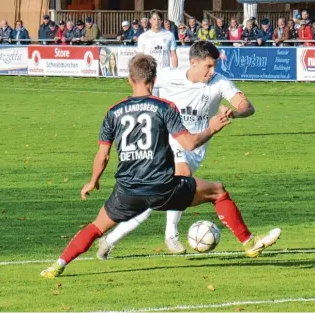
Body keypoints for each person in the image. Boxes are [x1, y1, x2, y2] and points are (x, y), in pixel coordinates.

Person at [40, 53, 238, 278]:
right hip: (162, 187)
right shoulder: (164, 107)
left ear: (129, 79)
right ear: (153, 80)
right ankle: (248, 242)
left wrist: (92, 182)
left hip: (126, 191)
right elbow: (189, 143)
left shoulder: (113, 111)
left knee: (96, 227)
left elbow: (102, 155)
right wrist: (212, 128)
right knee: (217, 191)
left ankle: (58, 264)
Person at [96, 41, 281, 257]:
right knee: (178, 176)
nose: (213, 72)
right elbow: (141, 88)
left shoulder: (220, 84)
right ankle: (171, 234)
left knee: (155, 196)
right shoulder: (167, 76)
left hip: (196, 148)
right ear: (193, 62)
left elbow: (248, 107)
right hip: (167, 143)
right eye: (209, 66)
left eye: (215, 66)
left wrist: (234, 112)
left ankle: (109, 240)